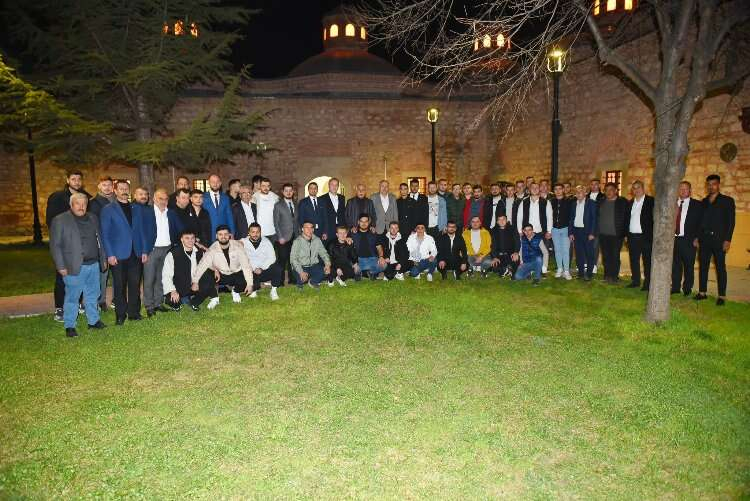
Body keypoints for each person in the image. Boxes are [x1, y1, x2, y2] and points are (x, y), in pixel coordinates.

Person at [49, 193, 106, 337]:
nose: (81, 207)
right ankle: (70, 326)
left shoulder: (93, 218)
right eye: (77, 203)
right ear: (71, 204)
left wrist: (103, 258)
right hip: (73, 266)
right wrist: (60, 266)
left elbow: (99, 240)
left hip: (93, 264)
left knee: (93, 294)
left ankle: (93, 321)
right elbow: (55, 245)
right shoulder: (60, 220)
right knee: (72, 297)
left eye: (84, 204)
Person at [100, 180, 149, 324]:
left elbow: (141, 231)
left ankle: (134, 313)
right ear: (115, 191)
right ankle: (120, 315)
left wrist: (144, 250)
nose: (124, 191)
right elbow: (105, 234)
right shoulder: (108, 209)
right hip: (118, 254)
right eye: (121, 188)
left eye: (126, 188)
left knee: (135, 284)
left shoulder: (136, 208)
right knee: (119, 286)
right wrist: (110, 254)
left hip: (136, 253)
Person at [46, 170, 90, 321]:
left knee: (80, 273)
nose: (77, 182)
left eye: (79, 179)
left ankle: (78, 302)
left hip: (81, 243)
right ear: (67, 180)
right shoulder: (57, 197)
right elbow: (51, 220)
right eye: (73, 179)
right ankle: (59, 308)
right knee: (62, 276)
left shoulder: (86, 196)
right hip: (65, 243)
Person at [141, 189, 183, 317]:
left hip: (167, 249)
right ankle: (149, 306)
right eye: (160, 199)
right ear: (154, 199)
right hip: (152, 250)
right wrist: (144, 250)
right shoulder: (146, 212)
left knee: (161, 278)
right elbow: (141, 233)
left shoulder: (171, 213)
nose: (163, 201)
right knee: (149, 279)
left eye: (165, 199)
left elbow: (180, 229)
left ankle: (158, 303)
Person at [696, 174, 735, 305]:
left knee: (720, 268)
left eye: (713, 184)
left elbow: (731, 222)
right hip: (704, 239)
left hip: (719, 240)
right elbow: (700, 222)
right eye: (709, 184)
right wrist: (697, 237)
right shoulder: (703, 202)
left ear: (718, 185)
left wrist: (727, 240)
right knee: (703, 266)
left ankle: (722, 296)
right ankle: (702, 293)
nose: (711, 186)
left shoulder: (727, 201)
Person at [193, 225, 253, 305]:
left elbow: (246, 266)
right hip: (221, 275)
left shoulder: (237, 246)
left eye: (225, 234)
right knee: (205, 274)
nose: (223, 236)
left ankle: (236, 291)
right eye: (220, 234)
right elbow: (202, 265)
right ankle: (214, 297)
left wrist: (249, 284)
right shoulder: (212, 249)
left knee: (253, 281)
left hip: (236, 273)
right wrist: (195, 281)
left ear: (229, 235)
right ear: (216, 236)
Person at [161, 229, 219, 311]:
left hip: (194, 285)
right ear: (182, 239)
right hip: (179, 286)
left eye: (192, 238)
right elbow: (166, 275)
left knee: (209, 277)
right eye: (187, 238)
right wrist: (172, 290)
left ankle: (194, 302)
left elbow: (208, 263)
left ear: (195, 239)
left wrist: (216, 270)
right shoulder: (173, 253)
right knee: (172, 301)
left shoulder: (199, 251)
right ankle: (183, 299)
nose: (190, 241)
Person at [88, 175, 115, 310]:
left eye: (109, 185)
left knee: (118, 273)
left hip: (117, 243)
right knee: (103, 273)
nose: (107, 187)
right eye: (104, 185)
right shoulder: (93, 203)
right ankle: (101, 300)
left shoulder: (117, 200)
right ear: (99, 186)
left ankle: (117, 298)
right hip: (102, 243)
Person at [672, 181, 702, 296]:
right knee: (675, 266)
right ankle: (675, 287)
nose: (683, 191)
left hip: (689, 241)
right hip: (674, 240)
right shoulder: (673, 203)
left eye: (685, 189)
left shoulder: (697, 205)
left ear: (690, 190)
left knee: (689, 266)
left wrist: (697, 238)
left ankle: (687, 288)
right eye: (681, 188)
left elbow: (701, 223)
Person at [515, 182, 552, 274]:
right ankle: (529, 269)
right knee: (528, 252)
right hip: (527, 232)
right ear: (529, 190)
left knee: (542, 252)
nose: (535, 189)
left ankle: (543, 269)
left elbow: (549, 217)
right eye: (533, 188)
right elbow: (519, 217)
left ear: (539, 189)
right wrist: (520, 230)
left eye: (537, 187)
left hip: (541, 232)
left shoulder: (546, 202)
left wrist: (549, 231)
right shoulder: (524, 201)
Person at [597, 182, 628, 284]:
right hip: (603, 234)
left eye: (611, 190)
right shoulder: (601, 201)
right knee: (605, 257)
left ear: (616, 191)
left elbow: (626, 219)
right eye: (606, 190)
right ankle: (607, 276)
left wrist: (625, 234)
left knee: (614, 256)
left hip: (616, 235)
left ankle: (614, 277)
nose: (608, 192)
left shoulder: (622, 202)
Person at [626, 180, 654, 290]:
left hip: (645, 237)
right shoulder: (630, 203)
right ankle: (635, 281)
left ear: (643, 188)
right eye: (634, 188)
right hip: (632, 237)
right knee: (634, 260)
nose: (636, 190)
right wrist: (626, 235)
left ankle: (647, 283)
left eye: (638, 187)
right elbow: (626, 220)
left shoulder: (651, 201)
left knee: (647, 261)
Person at [242, 223, 282, 300]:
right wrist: (254, 268)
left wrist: (261, 268)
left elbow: (272, 258)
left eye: (257, 232)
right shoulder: (243, 242)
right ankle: (254, 288)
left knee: (277, 268)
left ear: (260, 232)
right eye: (253, 232)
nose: (255, 234)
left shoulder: (266, 241)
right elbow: (243, 259)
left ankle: (273, 290)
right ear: (249, 232)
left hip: (263, 270)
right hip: (251, 271)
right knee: (244, 271)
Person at [290, 221, 331, 290]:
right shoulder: (297, 241)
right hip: (301, 266)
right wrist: (301, 272)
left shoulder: (317, 240)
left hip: (313, 266)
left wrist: (327, 264)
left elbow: (324, 253)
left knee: (326, 271)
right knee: (301, 279)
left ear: (313, 229)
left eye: (311, 227)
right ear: (302, 229)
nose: (309, 230)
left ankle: (313, 282)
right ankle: (300, 283)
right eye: (307, 227)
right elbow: (293, 259)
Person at [569, 185, 598, 281]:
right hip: (576, 232)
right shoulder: (574, 204)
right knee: (579, 254)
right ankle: (581, 273)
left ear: (585, 193)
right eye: (577, 192)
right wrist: (571, 232)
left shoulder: (591, 203)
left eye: (581, 191)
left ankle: (589, 274)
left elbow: (594, 219)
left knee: (589, 254)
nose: (578, 194)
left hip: (588, 232)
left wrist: (592, 233)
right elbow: (571, 219)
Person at [273, 183, 299, 285]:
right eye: (286, 191)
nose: (288, 192)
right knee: (282, 260)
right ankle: (280, 281)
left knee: (293, 259)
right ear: (283, 192)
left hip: (294, 236)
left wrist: (298, 235)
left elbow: (296, 221)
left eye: (290, 190)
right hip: (283, 238)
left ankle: (292, 279)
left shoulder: (296, 204)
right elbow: (276, 223)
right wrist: (280, 237)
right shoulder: (278, 205)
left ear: (293, 192)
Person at [349, 214, 385, 279]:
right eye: (362, 221)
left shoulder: (373, 233)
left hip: (372, 259)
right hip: (358, 260)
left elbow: (379, 247)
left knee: (384, 265)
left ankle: (366, 272)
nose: (364, 223)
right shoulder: (353, 233)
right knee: (350, 265)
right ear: (358, 222)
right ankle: (371, 272)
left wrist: (381, 257)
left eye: (366, 221)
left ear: (369, 222)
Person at [550, 183, 573, 280]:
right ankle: (560, 268)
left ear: (563, 190)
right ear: (554, 191)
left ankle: (566, 270)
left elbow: (572, 217)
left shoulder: (569, 201)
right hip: (554, 229)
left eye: (560, 189)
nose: (558, 191)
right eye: (556, 189)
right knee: (557, 250)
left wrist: (571, 231)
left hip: (565, 229)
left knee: (565, 250)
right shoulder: (551, 201)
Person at [202, 174, 235, 240]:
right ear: (209, 183)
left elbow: (229, 216)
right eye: (213, 182)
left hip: (223, 234)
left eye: (217, 181)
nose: (215, 184)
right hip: (208, 233)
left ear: (220, 183)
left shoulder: (225, 197)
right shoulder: (203, 197)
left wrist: (232, 232)